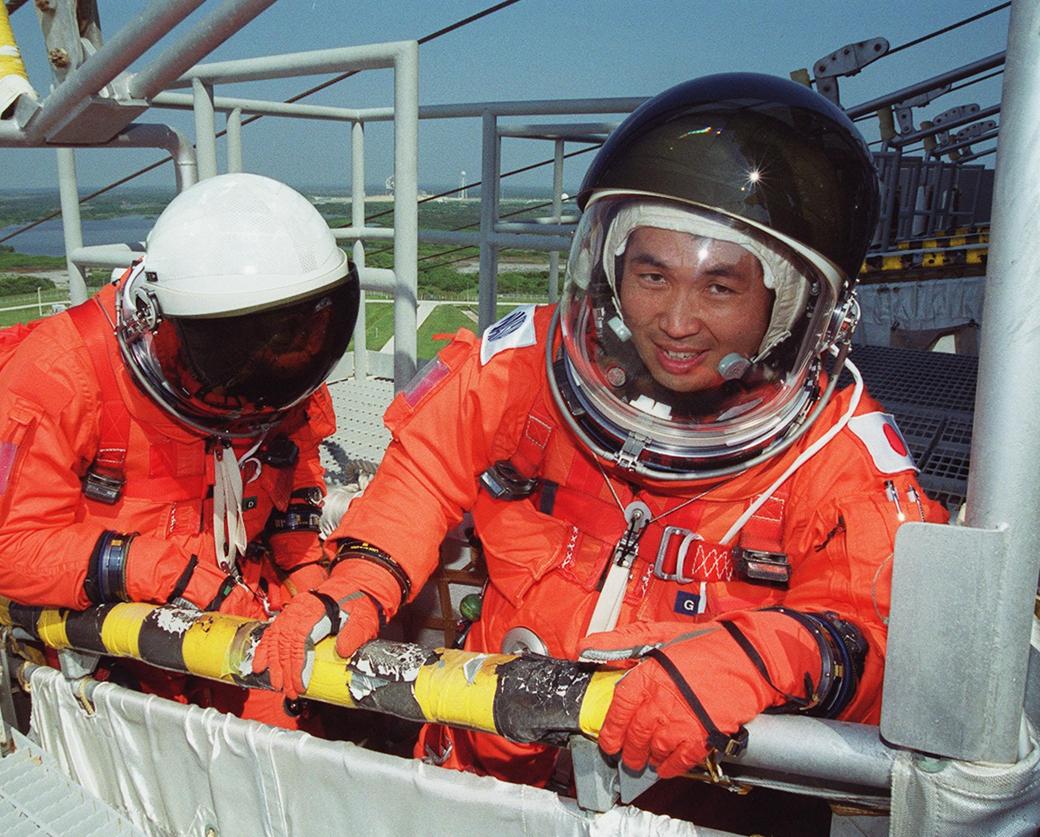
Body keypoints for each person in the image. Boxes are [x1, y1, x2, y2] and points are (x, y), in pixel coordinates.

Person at [253, 73, 948, 783]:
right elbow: (425, 473)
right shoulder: (525, 368)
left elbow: (880, 642)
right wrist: (362, 579)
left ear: (791, 304)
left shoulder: (839, 455)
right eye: (653, 276)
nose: (676, 322)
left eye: (720, 286)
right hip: (484, 761)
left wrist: (758, 656)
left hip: (683, 798)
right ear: (611, 268)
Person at [0, 172, 359, 730]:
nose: (254, 393)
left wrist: (305, 576)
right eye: (232, 356)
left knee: (296, 729)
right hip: (115, 629)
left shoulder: (281, 364)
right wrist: (164, 573)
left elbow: (295, 471)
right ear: (156, 318)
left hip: (243, 600)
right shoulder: (59, 374)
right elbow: (6, 544)